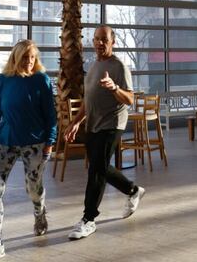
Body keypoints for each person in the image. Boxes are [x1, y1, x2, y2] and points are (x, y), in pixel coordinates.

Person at [0, 40, 57, 262]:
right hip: (4, 142)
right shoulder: (4, 80)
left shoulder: (42, 80)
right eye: (25, 57)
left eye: (32, 57)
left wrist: (50, 142)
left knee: (33, 188)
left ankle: (39, 212)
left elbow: (51, 115)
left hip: (35, 144)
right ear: (15, 58)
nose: (29, 62)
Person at [65, 25, 144, 240]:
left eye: (104, 39)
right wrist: (75, 122)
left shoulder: (119, 66)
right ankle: (132, 190)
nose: (100, 43)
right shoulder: (92, 67)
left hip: (113, 123)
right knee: (99, 166)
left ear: (113, 42)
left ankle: (89, 219)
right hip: (93, 125)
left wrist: (114, 88)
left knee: (96, 170)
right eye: (96, 39)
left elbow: (130, 99)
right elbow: (87, 101)